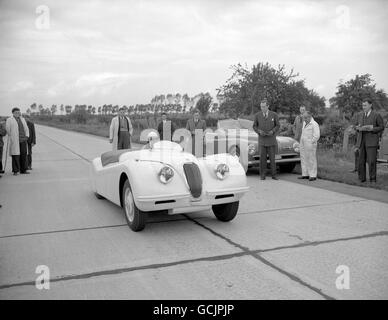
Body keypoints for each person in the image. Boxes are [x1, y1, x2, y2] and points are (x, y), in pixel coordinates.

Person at [354, 99, 384, 183]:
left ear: (370, 105)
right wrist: (357, 128)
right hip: (361, 141)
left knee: (371, 161)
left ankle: (372, 179)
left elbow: (382, 127)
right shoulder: (359, 115)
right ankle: (361, 179)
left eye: (365, 105)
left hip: (372, 141)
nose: (363, 107)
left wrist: (372, 129)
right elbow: (356, 125)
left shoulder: (376, 115)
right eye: (363, 105)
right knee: (361, 161)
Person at [253, 98, 280, 180]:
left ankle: (274, 175)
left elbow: (278, 125)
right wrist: (259, 131)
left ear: (268, 106)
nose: (262, 108)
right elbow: (254, 126)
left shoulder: (274, 114)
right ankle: (262, 175)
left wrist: (273, 131)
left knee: (272, 159)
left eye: (264, 106)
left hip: (271, 140)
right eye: (261, 107)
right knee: (262, 159)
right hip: (262, 141)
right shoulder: (257, 115)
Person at [5, 108, 30, 175]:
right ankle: (15, 171)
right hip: (15, 140)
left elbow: (26, 129)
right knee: (15, 155)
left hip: (23, 140)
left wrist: (27, 136)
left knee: (24, 155)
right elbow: (8, 129)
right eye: (16, 112)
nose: (17, 114)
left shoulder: (22, 119)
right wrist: (12, 136)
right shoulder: (9, 120)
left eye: (18, 112)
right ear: (13, 113)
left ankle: (23, 170)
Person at [298, 110, 320, 181]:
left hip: (310, 144)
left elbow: (317, 136)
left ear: (310, 116)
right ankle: (305, 174)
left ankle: (313, 175)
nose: (304, 119)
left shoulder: (314, 124)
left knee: (311, 159)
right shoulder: (305, 123)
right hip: (303, 143)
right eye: (304, 117)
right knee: (303, 158)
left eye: (306, 117)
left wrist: (311, 142)